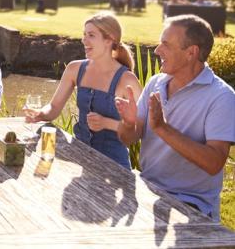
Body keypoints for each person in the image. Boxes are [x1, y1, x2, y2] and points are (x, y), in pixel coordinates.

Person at [116, 15, 235, 221]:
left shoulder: (221, 97)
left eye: (166, 44)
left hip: (190, 204)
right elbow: (128, 138)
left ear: (191, 52)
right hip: (148, 189)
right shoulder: (155, 83)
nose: (157, 50)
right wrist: (128, 123)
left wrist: (162, 128)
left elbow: (214, 162)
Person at [25, 12, 142, 169]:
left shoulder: (127, 80)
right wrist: (41, 113)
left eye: (91, 35)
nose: (84, 40)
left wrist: (106, 123)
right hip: (78, 158)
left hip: (114, 167)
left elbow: (140, 130)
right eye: (84, 34)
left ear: (109, 39)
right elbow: (53, 108)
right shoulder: (75, 69)